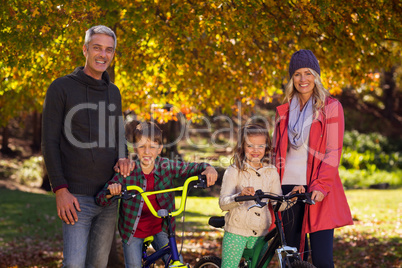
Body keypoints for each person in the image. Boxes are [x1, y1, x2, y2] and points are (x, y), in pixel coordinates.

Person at [42, 25, 133, 267]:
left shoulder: (114, 93)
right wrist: (60, 190)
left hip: (109, 195)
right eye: (97, 48)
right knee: (73, 264)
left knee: (98, 265)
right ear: (85, 49)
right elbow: (49, 141)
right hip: (75, 197)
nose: (103, 55)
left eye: (109, 50)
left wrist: (124, 157)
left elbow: (119, 137)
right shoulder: (60, 88)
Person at [96, 121, 218, 268]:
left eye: (152, 147)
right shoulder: (128, 171)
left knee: (176, 259)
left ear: (159, 149)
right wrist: (111, 191)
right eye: (142, 147)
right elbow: (100, 198)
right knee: (134, 265)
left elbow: (189, 168)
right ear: (135, 148)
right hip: (133, 230)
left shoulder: (166, 166)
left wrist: (209, 168)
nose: (147, 152)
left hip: (160, 227)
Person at [272, 49, 353, 267]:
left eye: (308, 73)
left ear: (316, 76)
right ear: (292, 78)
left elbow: (333, 151)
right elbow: (276, 153)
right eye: (297, 74)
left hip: (317, 188)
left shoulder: (331, 108)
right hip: (288, 188)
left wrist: (321, 185)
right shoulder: (284, 111)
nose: (303, 79)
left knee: (322, 258)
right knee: (292, 258)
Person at [219, 124, 304, 268]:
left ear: (267, 147)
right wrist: (239, 196)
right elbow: (223, 203)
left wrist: (292, 196)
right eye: (250, 146)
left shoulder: (271, 172)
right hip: (236, 232)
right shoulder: (234, 171)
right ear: (242, 146)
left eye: (260, 146)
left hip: (261, 235)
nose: (256, 150)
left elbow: (278, 204)